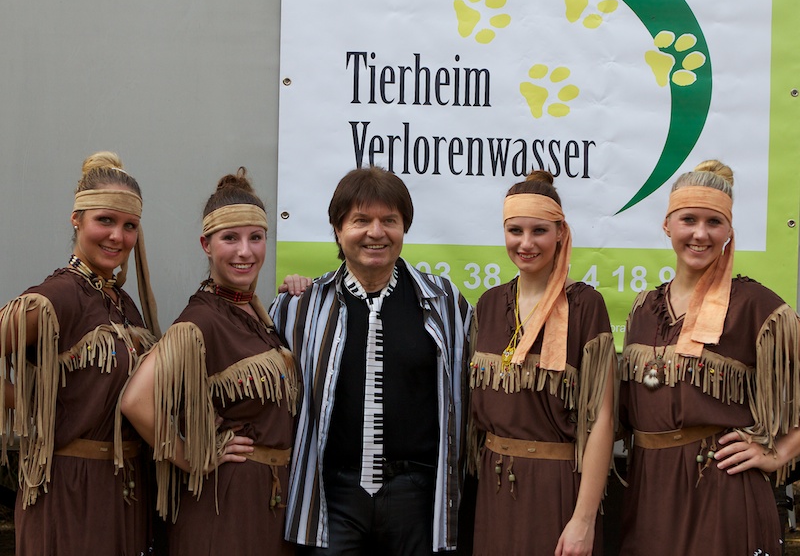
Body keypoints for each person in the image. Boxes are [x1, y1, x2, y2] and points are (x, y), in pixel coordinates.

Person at [269, 166, 473, 554]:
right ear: (337, 229)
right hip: (331, 499)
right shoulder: (299, 308)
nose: (376, 233)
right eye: (361, 220)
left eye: (389, 221)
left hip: (418, 499)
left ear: (404, 228)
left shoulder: (446, 304)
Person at [618, 160, 800, 554]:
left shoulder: (756, 306)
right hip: (649, 494)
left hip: (722, 494)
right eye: (689, 220)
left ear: (729, 231)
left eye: (714, 222)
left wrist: (778, 452)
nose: (700, 234)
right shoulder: (643, 308)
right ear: (667, 225)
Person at [121, 167, 301, 555]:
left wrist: (298, 290)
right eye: (230, 238)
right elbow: (136, 401)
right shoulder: (200, 319)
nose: (245, 251)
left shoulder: (255, 313)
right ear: (206, 244)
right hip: (225, 506)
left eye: (256, 237)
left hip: (267, 503)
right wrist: (192, 458)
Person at [0, 152, 160, 555]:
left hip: (125, 491)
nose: (117, 236)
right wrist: (32, 406)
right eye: (105, 220)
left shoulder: (122, 301)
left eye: (129, 226)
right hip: (70, 491)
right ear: (77, 220)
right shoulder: (56, 297)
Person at [467, 170, 616, 555]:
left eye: (539, 231)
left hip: (558, 488)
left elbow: (602, 419)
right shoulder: (488, 304)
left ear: (561, 232)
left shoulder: (586, 306)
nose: (526, 243)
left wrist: (583, 520)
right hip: (494, 490)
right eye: (515, 231)